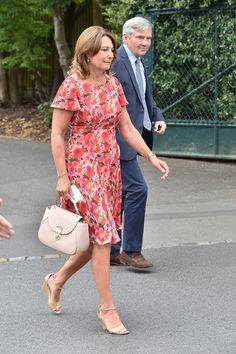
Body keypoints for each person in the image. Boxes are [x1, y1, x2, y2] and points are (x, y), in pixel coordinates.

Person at [41, 26, 169, 335]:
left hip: (109, 166)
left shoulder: (114, 85)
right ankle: (107, 308)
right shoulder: (72, 86)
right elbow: (57, 135)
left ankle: (55, 281)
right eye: (104, 50)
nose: (111, 54)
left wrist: (150, 156)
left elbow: (126, 128)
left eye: (112, 49)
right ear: (87, 54)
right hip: (82, 167)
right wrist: (62, 176)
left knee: (93, 240)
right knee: (101, 238)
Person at [110, 17, 167, 268]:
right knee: (137, 190)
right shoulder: (114, 62)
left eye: (148, 38)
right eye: (140, 38)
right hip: (117, 141)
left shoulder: (140, 63)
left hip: (135, 138)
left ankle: (112, 249)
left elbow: (145, 98)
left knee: (121, 194)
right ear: (126, 37)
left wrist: (157, 116)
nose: (145, 43)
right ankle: (131, 251)